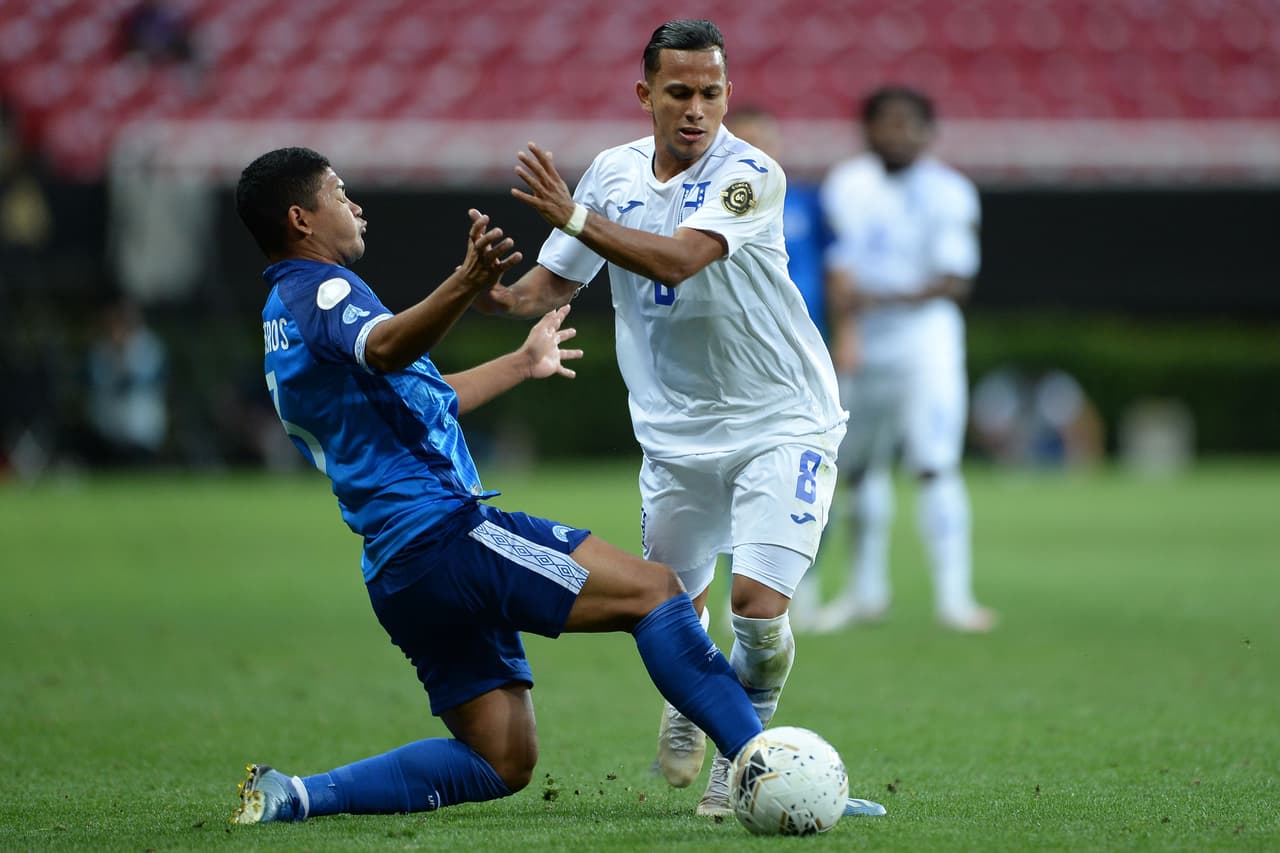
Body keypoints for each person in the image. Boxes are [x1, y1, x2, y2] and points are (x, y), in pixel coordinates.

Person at [228, 146, 771, 825]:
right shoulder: (325, 290)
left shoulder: (283, 311)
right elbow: (387, 347)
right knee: (657, 591)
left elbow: (414, 399)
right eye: (339, 193)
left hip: (399, 570)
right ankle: (765, 770)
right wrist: (465, 280)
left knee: (501, 758)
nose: (355, 205)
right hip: (446, 536)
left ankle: (295, 794)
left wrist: (521, 362)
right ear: (301, 218)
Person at [476, 20, 883, 819]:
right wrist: (486, 290)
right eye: (681, 92)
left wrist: (574, 217)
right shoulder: (612, 174)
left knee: (758, 610)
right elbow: (551, 284)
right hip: (674, 435)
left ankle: (742, 759)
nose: (699, 109)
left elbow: (680, 257)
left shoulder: (751, 171)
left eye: (712, 91)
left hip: (781, 418)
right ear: (646, 95)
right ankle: (691, 696)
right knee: (674, 607)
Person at [816, 86, 995, 634]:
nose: (898, 133)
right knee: (855, 467)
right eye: (886, 123)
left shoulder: (951, 191)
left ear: (928, 131)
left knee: (934, 462)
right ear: (866, 129)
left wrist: (879, 298)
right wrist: (849, 316)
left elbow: (956, 280)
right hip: (863, 342)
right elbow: (837, 264)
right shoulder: (846, 184)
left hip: (926, 342)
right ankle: (865, 592)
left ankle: (954, 597)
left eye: (909, 123)